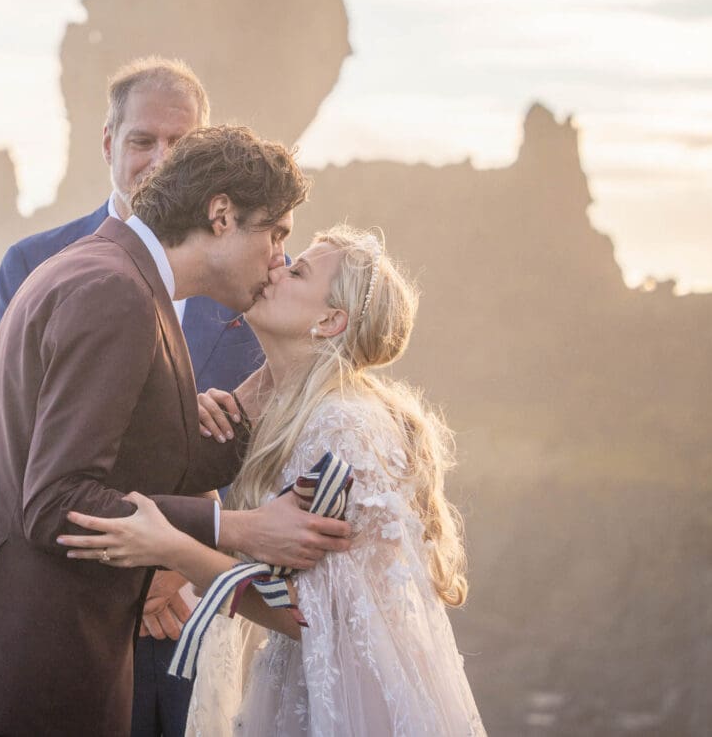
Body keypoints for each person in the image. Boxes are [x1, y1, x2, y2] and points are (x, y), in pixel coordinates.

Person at [0, 125, 353, 737]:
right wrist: (239, 528)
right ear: (221, 215)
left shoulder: (118, 274)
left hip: (33, 676)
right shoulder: (114, 292)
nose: (278, 257)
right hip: (22, 685)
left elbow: (135, 466)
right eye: (275, 233)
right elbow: (57, 504)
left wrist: (273, 379)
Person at [60, 224, 487, 736]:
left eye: (298, 271)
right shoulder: (295, 415)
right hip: (297, 689)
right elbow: (284, 580)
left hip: (350, 708)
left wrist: (173, 547)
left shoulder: (342, 425)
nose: (276, 268)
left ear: (331, 320)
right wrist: (195, 450)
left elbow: (310, 616)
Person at [0, 57, 270, 737]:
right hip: (72, 606)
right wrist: (146, 559)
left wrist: (177, 563)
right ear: (109, 143)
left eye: (182, 143)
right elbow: (11, 434)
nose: (161, 160)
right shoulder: (35, 263)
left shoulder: (247, 275)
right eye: (143, 141)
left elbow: (255, 443)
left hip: (197, 611)